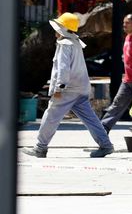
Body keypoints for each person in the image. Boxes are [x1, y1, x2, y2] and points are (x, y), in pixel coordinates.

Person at [27, 13, 114, 158]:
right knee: (90, 118)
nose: (55, 32)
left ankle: (40, 148)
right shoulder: (76, 43)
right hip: (80, 88)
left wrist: (59, 87)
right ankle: (105, 145)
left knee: (50, 116)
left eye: (57, 28)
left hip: (67, 89)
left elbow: (63, 68)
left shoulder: (64, 45)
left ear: (62, 29)